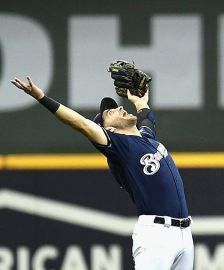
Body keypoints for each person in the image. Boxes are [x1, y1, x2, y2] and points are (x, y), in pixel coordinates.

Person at [10, 76, 193, 270]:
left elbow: (146, 117)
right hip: (157, 236)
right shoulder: (120, 147)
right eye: (110, 112)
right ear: (109, 129)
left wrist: (140, 101)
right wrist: (42, 97)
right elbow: (81, 123)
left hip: (185, 233)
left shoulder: (147, 137)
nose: (120, 108)